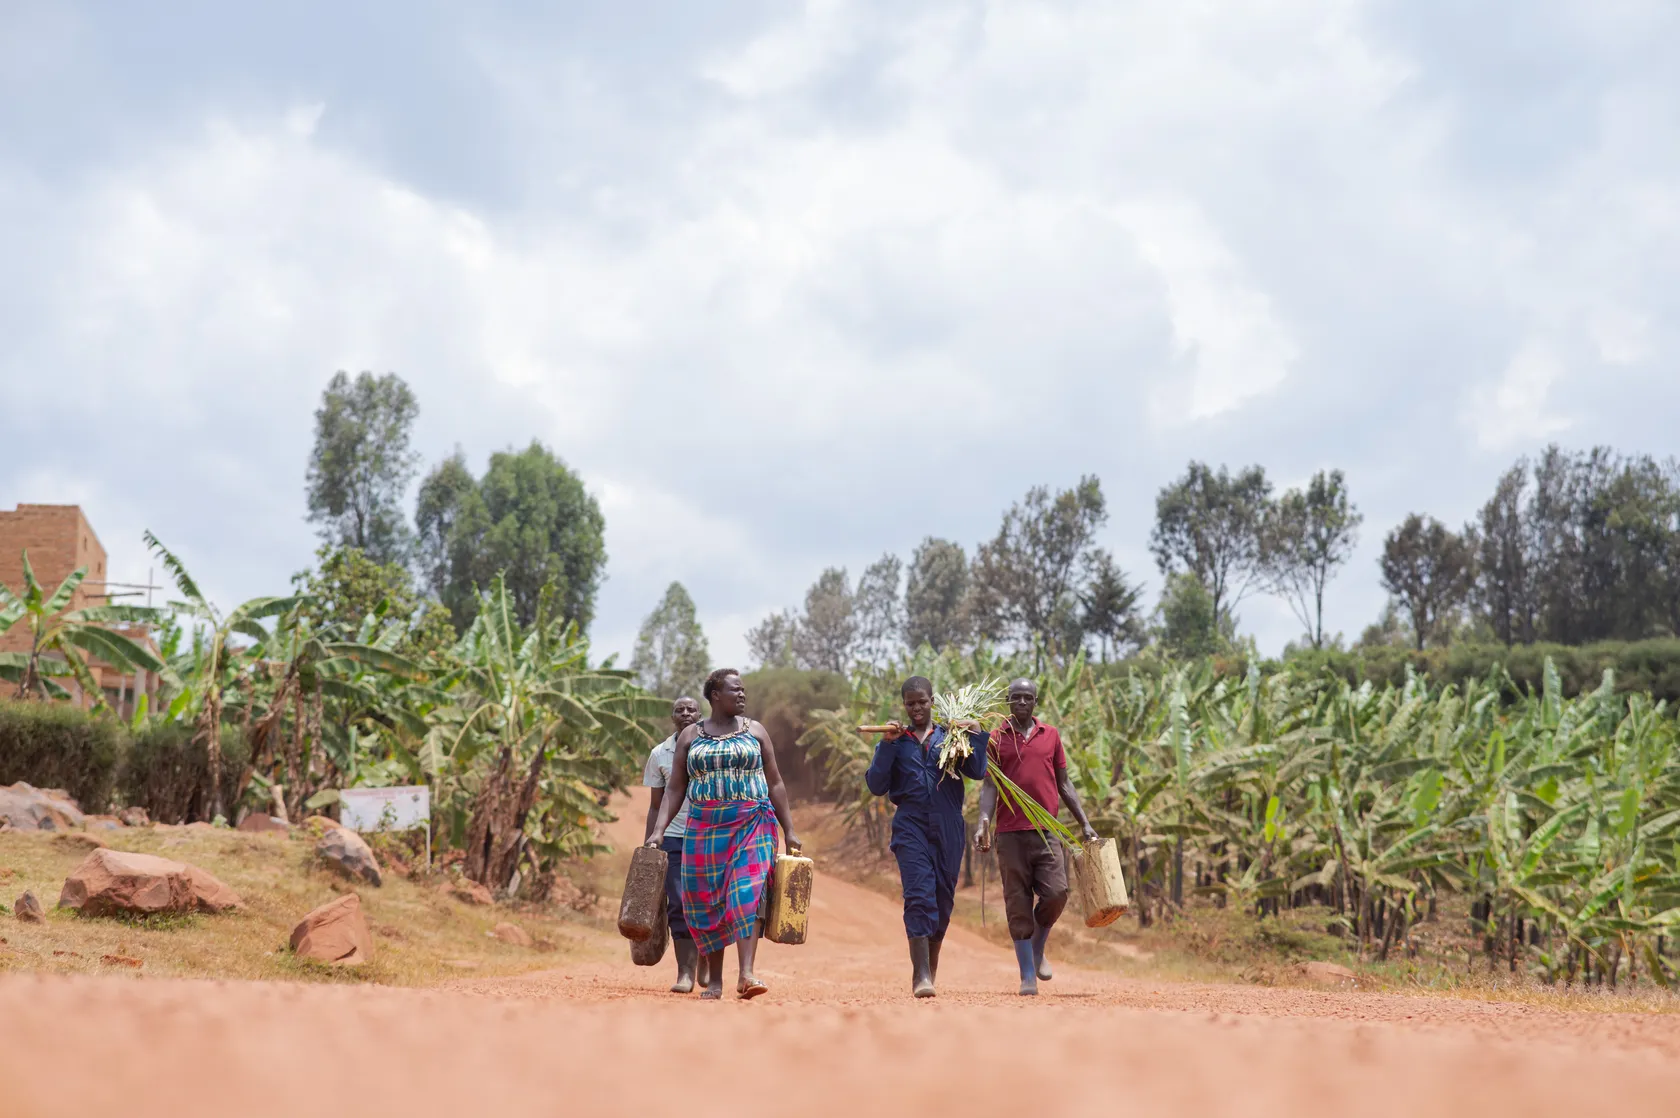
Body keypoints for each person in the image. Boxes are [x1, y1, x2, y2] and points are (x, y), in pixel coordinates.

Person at [646, 668, 802, 1000]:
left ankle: (746, 974)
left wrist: (789, 829)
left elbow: (775, 782)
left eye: (744, 690)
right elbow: (675, 789)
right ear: (716, 695)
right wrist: (659, 831)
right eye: (736, 690)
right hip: (704, 827)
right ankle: (714, 981)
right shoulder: (691, 736)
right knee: (706, 902)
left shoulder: (756, 731)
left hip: (752, 822)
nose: (743, 695)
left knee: (746, 894)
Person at [865, 675, 989, 998]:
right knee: (919, 895)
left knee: (943, 900)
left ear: (933, 702)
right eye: (910, 703)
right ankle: (920, 975)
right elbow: (876, 785)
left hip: (949, 825)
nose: (917, 708)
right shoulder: (897, 741)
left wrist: (975, 734)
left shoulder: (951, 737)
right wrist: (886, 746)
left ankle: (929, 971)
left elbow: (977, 771)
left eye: (922, 701)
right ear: (904, 705)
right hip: (910, 825)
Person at [975, 676, 1099, 996]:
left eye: (1027, 698)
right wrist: (984, 820)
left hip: (1046, 830)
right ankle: (1027, 975)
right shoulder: (996, 738)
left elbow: (1064, 783)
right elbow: (990, 786)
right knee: (1017, 903)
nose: (1021, 703)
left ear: (1036, 702)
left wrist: (1083, 822)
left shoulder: (1051, 736)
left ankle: (1038, 947)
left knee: (1057, 892)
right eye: (1015, 698)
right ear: (1008, 701)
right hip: (1010, 833)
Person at [642, 695, 704, 993]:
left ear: (700, 713)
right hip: (675, 839)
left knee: (709, 901)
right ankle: (685, 974)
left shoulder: (712, 746)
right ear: (672, 717)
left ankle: (707, 962)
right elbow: (656, 805)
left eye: (691, 709)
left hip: (711, 835)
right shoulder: (659, 753)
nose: (685, 713)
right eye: (679, 710)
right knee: (679, 902)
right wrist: (651, 841)